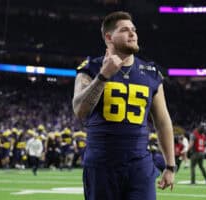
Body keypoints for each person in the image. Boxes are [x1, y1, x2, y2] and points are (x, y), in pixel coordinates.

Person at [72, 11, 175, 200]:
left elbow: (162, 121)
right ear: (109, 37)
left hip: (139, 165)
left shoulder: (151, 72)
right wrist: (103, 76)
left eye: (134, 30)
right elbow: (79, 110)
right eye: (125, 30)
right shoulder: (91, 68)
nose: (133, 34)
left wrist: (170, 166)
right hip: (101, 165)